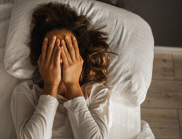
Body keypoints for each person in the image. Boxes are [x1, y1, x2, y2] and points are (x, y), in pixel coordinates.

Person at [10, 2, 117, 139]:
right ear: (40, 58)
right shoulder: (26, 93)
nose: (60, 58)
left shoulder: (96, 94)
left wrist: (72, 85)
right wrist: (50, 86)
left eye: (67, 49)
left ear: (79, 57)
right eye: (52, 50)